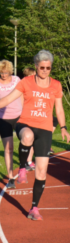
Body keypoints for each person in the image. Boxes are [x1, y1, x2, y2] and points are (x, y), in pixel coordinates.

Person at [0, 50, 70, 220]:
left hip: (45, 129)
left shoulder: (56, 85)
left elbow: (59, 109)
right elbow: (8, 99)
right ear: (36, 66)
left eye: (48, 67)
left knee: (41, 173)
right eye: (42, 67)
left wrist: (63, 127)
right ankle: (23, 167)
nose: (45, 70)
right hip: (25, 123)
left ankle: (34, 208)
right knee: (27, 137)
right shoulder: (26, 82)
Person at [0, 60, 24, 189]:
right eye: (1, 73)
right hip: (3, 119)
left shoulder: (16, 80)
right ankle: (10, 178)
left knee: (26, 141)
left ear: (11, 71)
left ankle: (23, 167)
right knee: (8, 148)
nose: (4, 75)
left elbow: (21, 96)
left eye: (6, 72)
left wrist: (25, 111)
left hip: (19, 116)